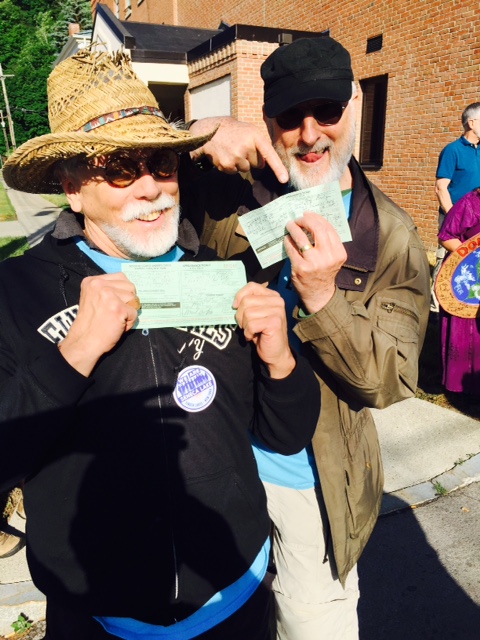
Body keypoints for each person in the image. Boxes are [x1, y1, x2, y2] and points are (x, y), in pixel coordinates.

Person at [0, 49, 321, 639]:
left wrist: (280, 358)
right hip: (97, 616)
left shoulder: (219, 275)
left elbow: (285, 432)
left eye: (162, 164)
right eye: (119, 168)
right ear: (72, 188)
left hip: (237, 601)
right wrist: (73, 355)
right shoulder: (17, 293)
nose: (149, 187)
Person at [185, 36, 431, 640]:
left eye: (327, 110)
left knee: (312, 624)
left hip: (311, 486)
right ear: (267, 119)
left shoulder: (391, 233)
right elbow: (124, 185)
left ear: (355, 105)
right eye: (290, 116)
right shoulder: (233, 191)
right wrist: (195, 129)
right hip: (215, 462)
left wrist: (323, 299)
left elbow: (391, 381)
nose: (311, 133)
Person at [432, 103, 480, 311]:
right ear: (472, 123)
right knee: (449, 260)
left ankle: (470, 303)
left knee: (473, 263)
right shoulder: (452, 151)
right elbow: (441, 187)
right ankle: (438, 302)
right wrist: (455, 219)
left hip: (477, 222)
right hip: (456, 219)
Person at [438, 186, 480, 395]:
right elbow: (446, 236)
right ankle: (464, 387)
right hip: (468, 277)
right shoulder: (470, 203)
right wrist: (473, 254)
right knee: (467, 331)